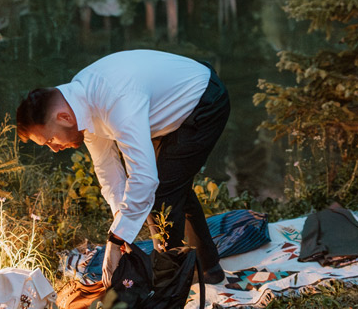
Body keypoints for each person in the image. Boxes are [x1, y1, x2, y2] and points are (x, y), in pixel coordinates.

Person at [16, 49, 229, 284]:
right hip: (163, 111)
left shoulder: (115, 101)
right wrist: (120, 231)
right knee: (172, 187)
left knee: (162, 195)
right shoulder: (82, 105)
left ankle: (166, 287)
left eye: (50, 140)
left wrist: (116, 240)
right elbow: (108, 172)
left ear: (64, 117)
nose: (54, 149)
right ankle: (208, 268)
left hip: (203, 100)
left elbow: (145, 179)